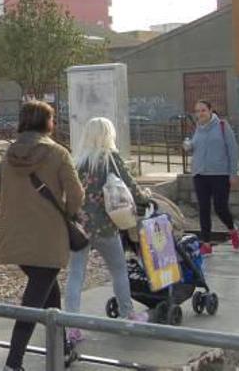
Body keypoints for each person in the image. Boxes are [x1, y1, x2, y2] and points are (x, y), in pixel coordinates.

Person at [0, 100, 84, 371]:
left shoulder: (8, 154)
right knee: (33, 303)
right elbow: (77, 194)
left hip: (15, 235)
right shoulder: (58, 153)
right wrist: (67, 214)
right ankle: (13, 363)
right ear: (47, 122)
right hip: (49, 237)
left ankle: (62, 350)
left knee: (48, 293)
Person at [64, 118, 149, 345]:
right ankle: (127, 314)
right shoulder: (111, 159)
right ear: (108, 135)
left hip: (80, 227)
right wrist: (144, 199)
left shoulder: (78, 162)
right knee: (118, 269)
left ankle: (71, 326)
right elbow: (130, 185)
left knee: (75, 274)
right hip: (105, 226)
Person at [183, 100, 239, 255]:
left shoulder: (222, 126)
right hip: (200, 174)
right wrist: (188, 145)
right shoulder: (198, 128)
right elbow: (194, 147)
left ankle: (232, 229)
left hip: (219, 174)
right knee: (204, 208)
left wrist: (233, 173)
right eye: (197, 111)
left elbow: (233, 150)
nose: (200, 114)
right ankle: (206, 243)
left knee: (220, 207)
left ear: (210, 110)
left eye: (203, 110)